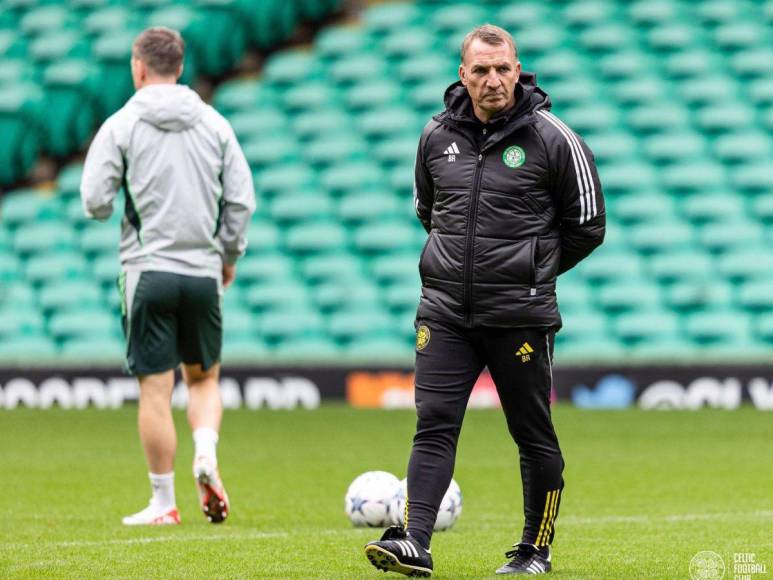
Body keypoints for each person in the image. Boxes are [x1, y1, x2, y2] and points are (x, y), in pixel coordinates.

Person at [364, 24, 605, 576]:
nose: (493, 80)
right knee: (435, 421)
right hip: (445, 311)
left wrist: (529, 274)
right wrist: (463, 273)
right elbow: (430, 212)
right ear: (463, 75)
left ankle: (534, 549)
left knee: (530, 431)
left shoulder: (553, 138)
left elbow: (588, 224)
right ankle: (415, 543)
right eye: (481, 70)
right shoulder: (434, 137)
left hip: (518, 316)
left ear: (518, 70)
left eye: (503, 69)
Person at [80, 27, 255, 526]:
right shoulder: (215, 123)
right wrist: (228, 254)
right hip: (202, 272)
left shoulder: (121, 124)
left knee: (156, 390)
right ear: (179, 68)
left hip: (148, 270)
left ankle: (163, 502)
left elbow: (94, 200)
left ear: (138, 67)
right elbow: (242, 198)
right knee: (203, 380)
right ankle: (205, 450)